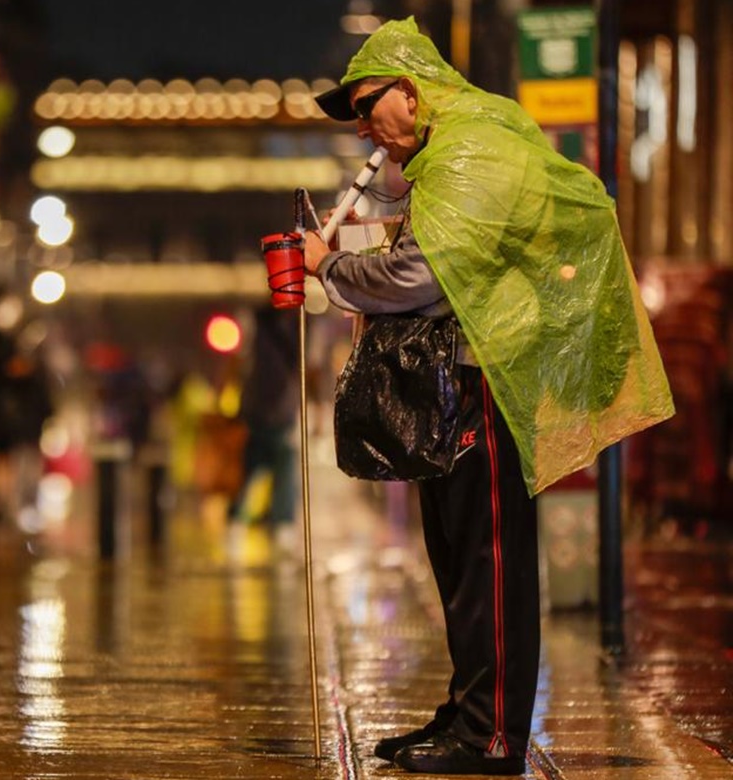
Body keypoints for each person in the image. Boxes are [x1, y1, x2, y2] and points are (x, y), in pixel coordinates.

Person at [302, 18, 674, 776]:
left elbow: (420, 276)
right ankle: (467, 712)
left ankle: (492, 736)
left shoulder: (472, 148)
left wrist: (327, 269)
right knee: (457, 559)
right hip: (464, 374)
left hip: (488, 377)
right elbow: (427, 253)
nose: (365, 128)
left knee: (489, 558)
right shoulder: (449, 153)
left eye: (367, 107)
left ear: (408, 91)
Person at [228, 306, 300, 553]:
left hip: (263, 410)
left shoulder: (257, 323)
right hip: (276, 410)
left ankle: (241, 519)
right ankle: (280, 524)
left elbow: (240, 365)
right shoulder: (296, 326)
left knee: (257, 468)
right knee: (277, 469)